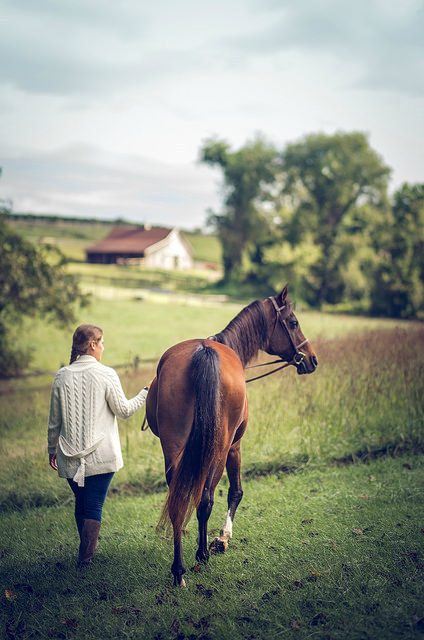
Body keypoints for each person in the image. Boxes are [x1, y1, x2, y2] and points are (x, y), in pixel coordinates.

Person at [48, 324, 150, 568]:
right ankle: (86, 560)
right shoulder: (106, 374)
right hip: (101, 457)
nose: (103, 347)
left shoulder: (62, 376)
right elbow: (124, 411)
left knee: (82, 502)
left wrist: (52, 449)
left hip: (69, 456)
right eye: (101, 342)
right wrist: (146, 392)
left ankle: (84, 554)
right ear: (92, 345)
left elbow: (54, 421)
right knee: (93, 505)